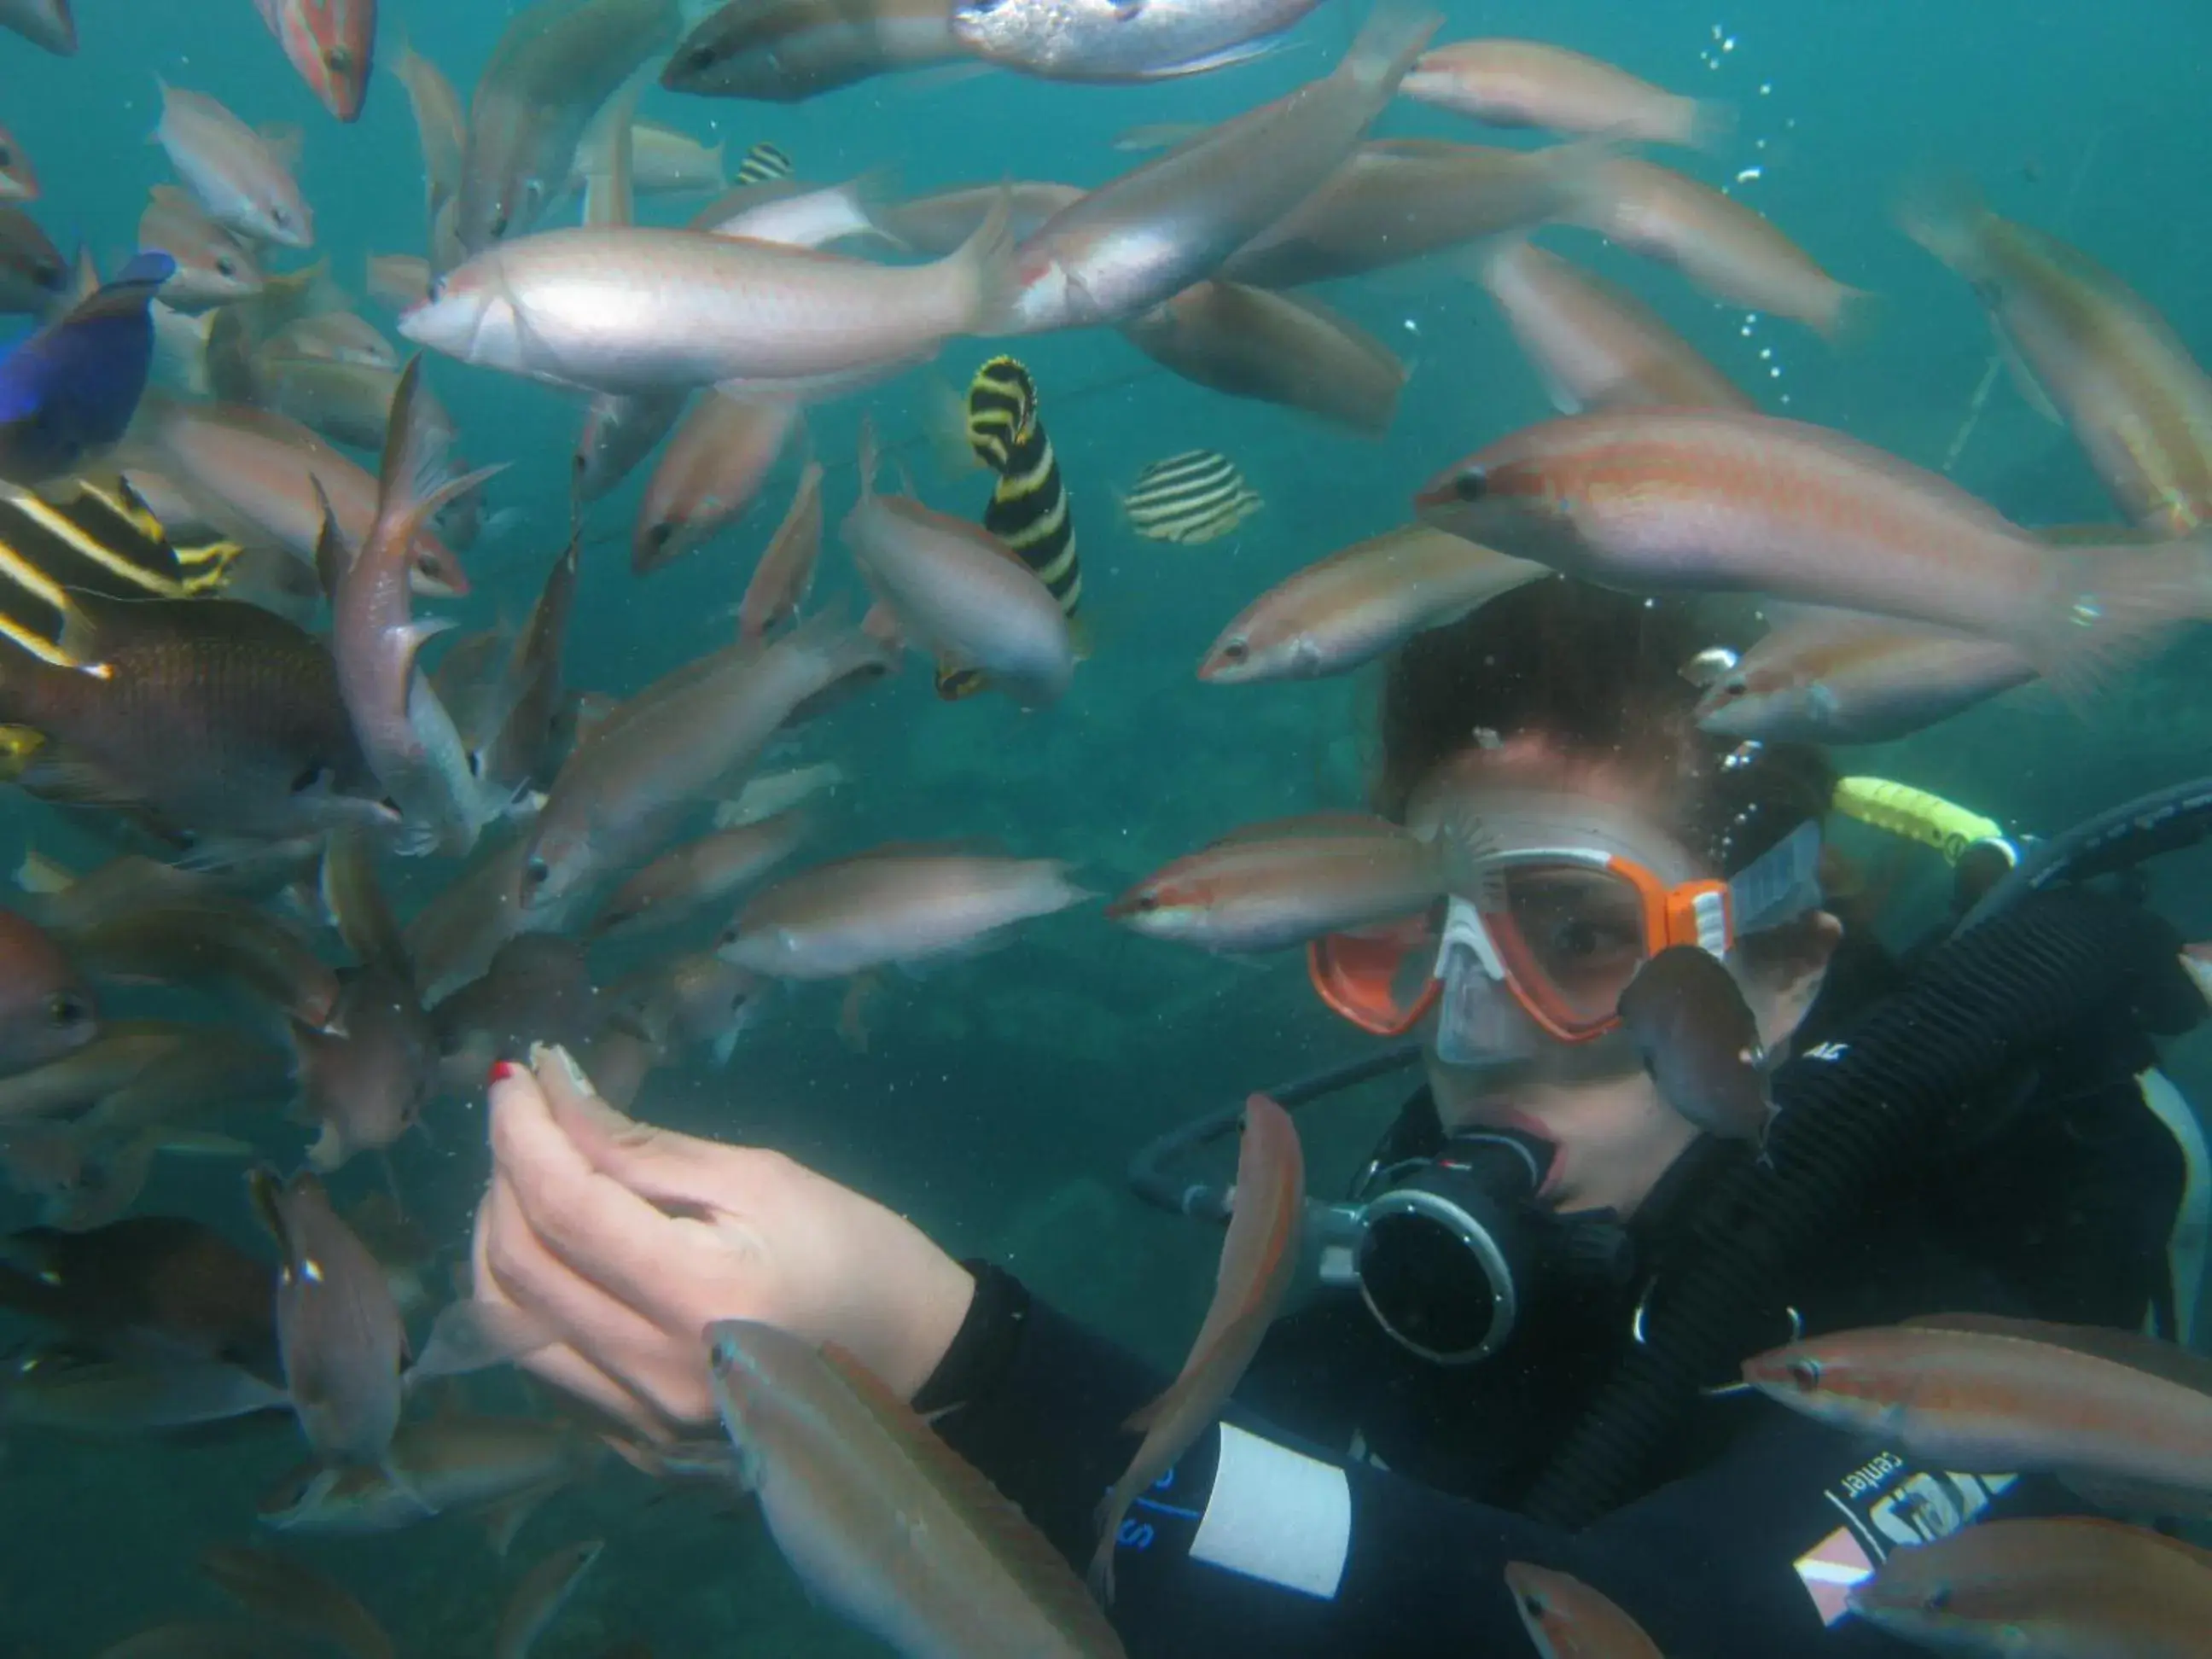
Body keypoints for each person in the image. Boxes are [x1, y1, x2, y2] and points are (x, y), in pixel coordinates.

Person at [470, 581, 2209, 1658]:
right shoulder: (1384, 1350)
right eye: (1403, 940)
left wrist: (963, 1360)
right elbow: (1217, 1546)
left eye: (1579, 938)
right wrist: (853, 1450)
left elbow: (1679, 1634)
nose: (1467, 1022)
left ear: (1782, 976)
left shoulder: (2013, 1247)